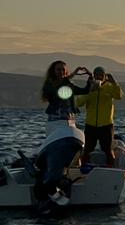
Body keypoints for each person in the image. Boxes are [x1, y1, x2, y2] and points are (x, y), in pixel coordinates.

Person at [36, 60, 90, 205]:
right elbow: (56, 90)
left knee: (71, 152)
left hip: (70, 121)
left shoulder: (68, 85)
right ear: (53, 71)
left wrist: (91, 79)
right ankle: (50, 182)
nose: (60, 72)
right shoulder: (51, 85)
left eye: (63, 70)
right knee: (56, 154)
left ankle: (64, 179)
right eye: (58, 69)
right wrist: (71, 76)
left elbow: (84, 91)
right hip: (56, 122)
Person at [75, 66, 124, 167]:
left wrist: (114, 82)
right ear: (93, 76)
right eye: (96, 75)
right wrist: (90, 91)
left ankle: (111, 169)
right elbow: (79, 103)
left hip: (106, 125)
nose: (99, 77)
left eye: (101, 75)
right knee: (87, 149)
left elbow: (119, 96)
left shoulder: (109, 87)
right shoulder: (89, 88)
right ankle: (83, 169)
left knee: (107, 150)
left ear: (104, 76)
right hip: (91, 125)